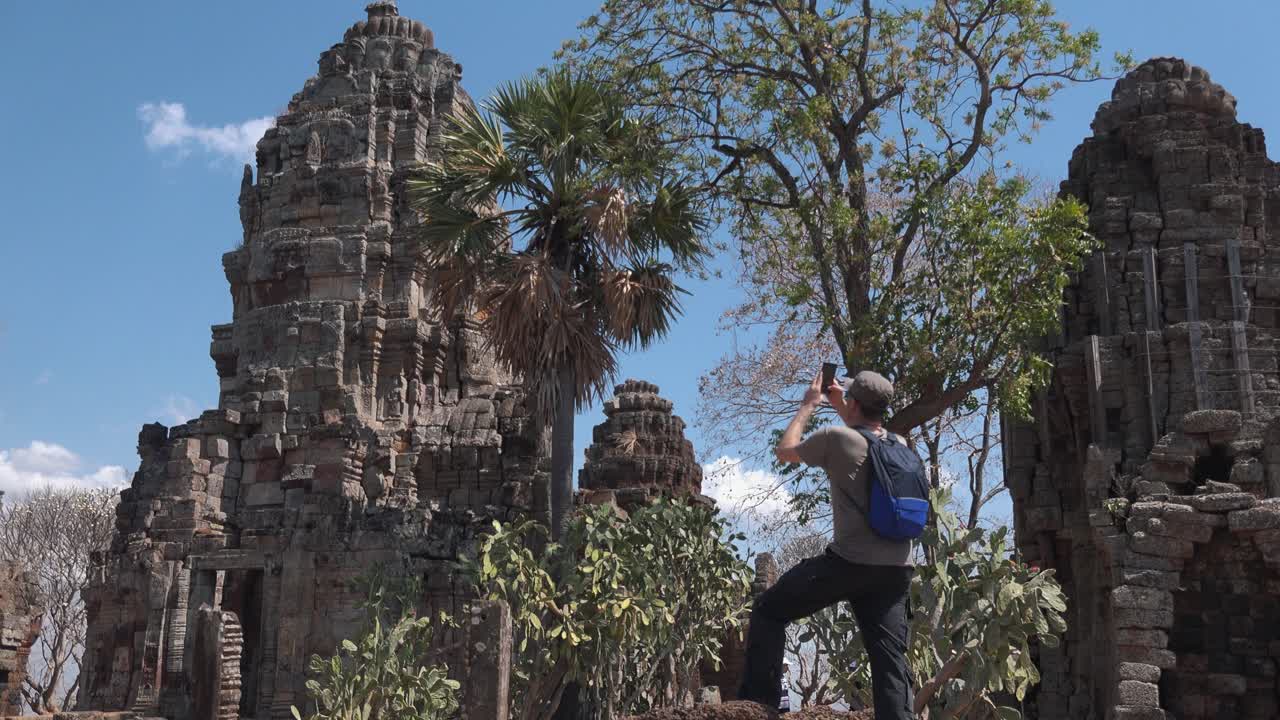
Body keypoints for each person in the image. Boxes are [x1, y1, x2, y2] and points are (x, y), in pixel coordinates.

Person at [738, 370, 915, 719]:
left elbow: (785, 451)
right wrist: (841, 404)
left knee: (769, 610)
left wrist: (809, 405)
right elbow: (865, 435)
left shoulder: (836, 439)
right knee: (890, 663)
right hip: (898, 568)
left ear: (854, 402)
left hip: (850, 563)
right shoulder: (900, 443)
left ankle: (758, 709)